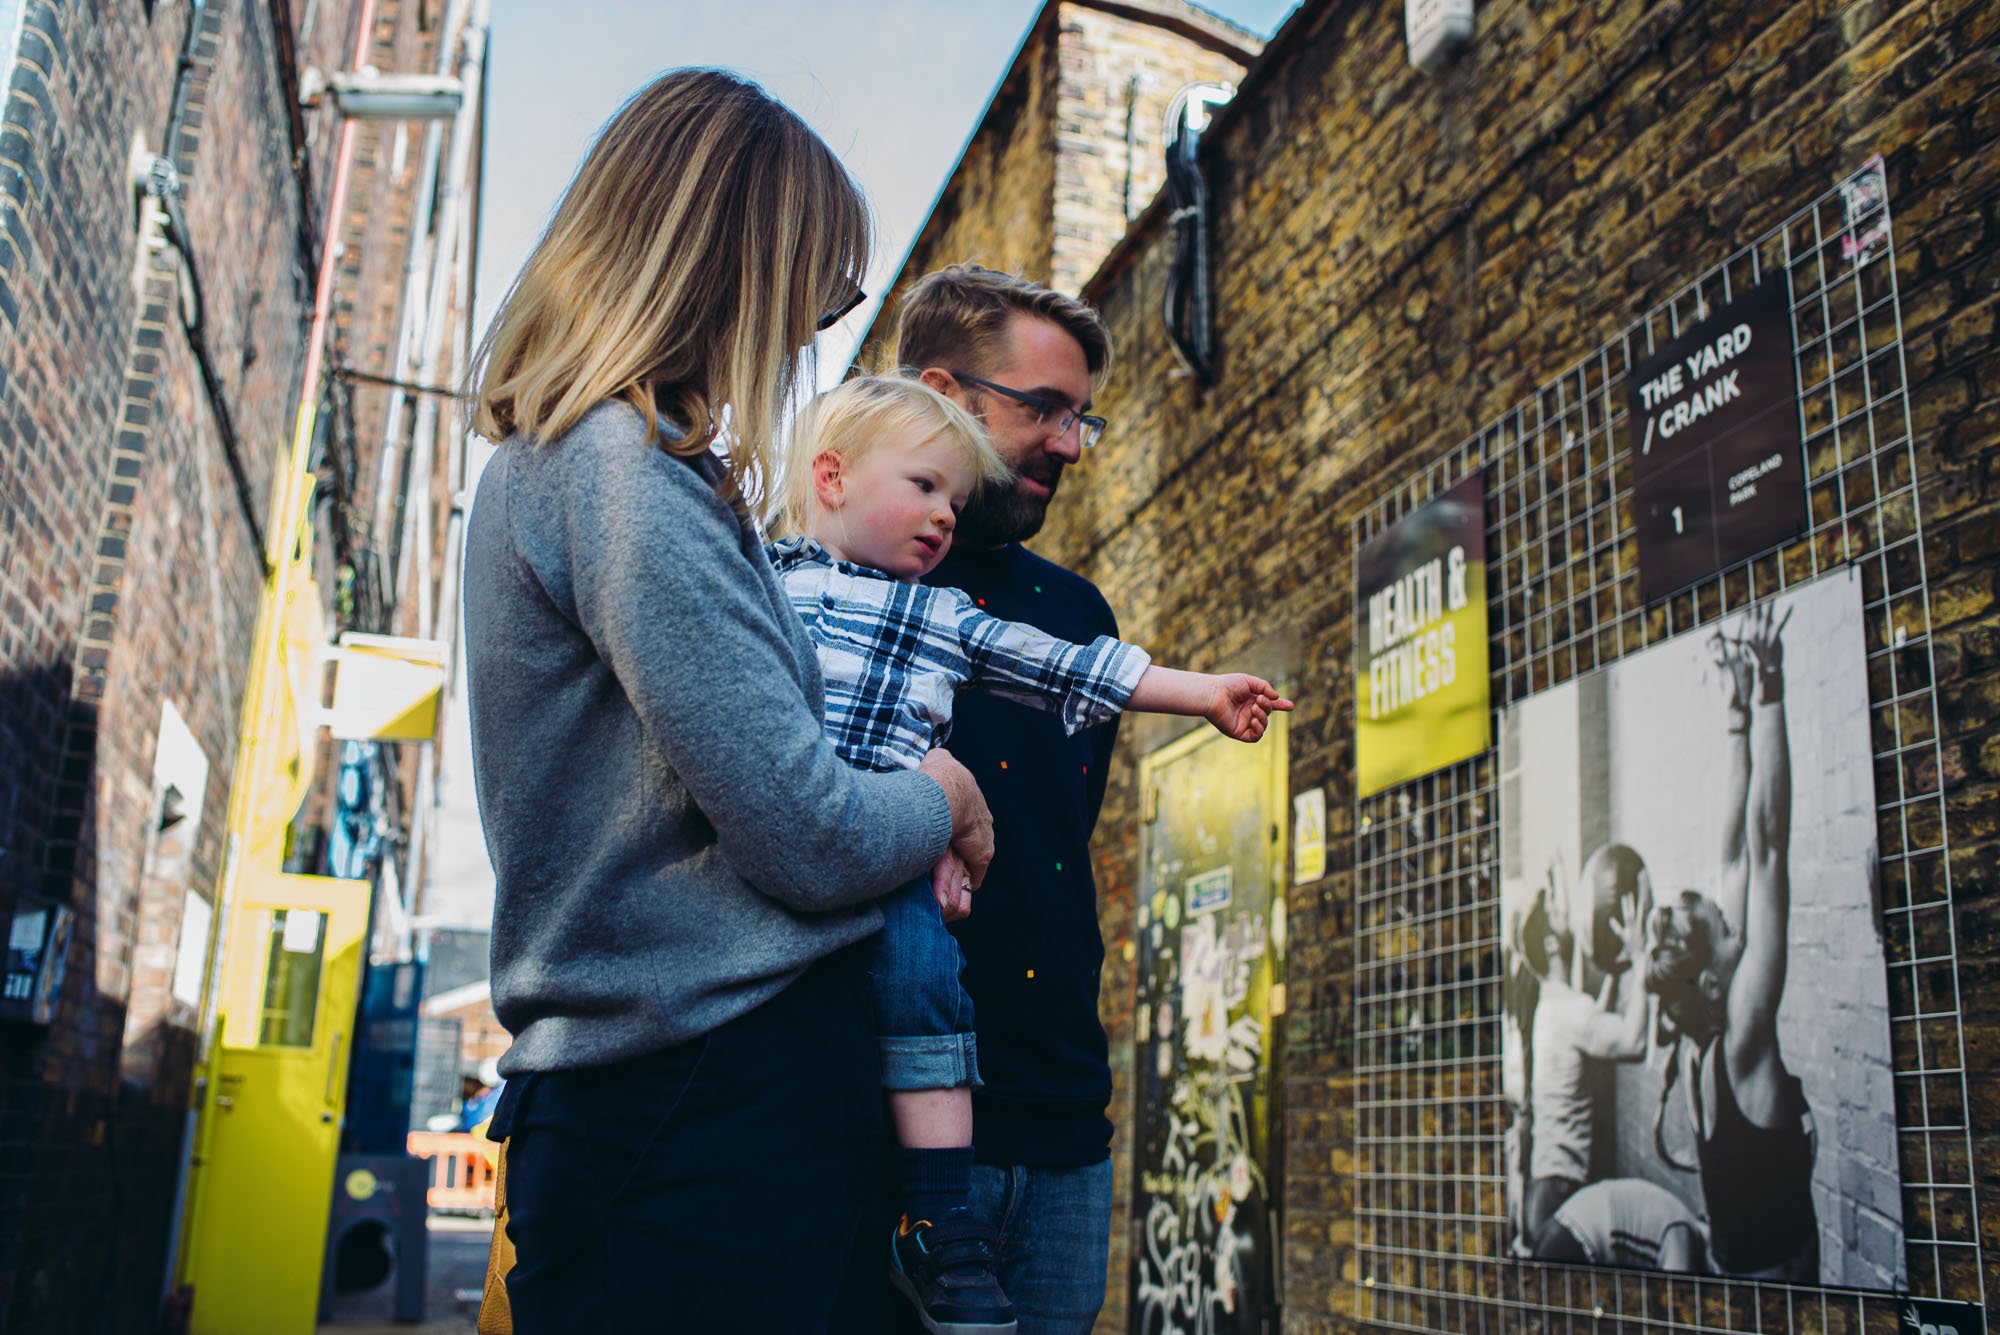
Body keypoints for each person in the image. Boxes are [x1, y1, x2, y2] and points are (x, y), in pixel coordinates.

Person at [460, 71, 994, 1333]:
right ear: (738, 264)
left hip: (674, 1094)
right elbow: (807, 835)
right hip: (697, 1096)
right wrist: (943, 793)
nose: (816, 330)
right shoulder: (621, 478)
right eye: (818, 286)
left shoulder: (602, 471)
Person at [768, 375, 1291, 1335]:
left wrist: (1203, 691)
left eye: (955, 502)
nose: (942, 516)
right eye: (925, 486)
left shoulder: (945, 615)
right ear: (831, 476)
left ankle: (937, 1220)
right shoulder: (758, 582)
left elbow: (1068, 665)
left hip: (890, 875)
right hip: (775, 871)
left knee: (929, 989)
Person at [885, 264, 1128, 1334]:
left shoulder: (1081, 617)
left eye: (1081, 419)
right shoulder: (832, 589)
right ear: (944, 393)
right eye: (1043, 410)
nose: (1068, 445)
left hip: (1066, 1126)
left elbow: (1061, 851)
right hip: (884, 1125)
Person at [1644, 602, 1818, 1282]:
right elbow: (1767, 849)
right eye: (1716, 918)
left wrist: (1737, 716)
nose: (1724, 904)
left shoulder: (1699, 1050)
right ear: (1713, 978)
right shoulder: (1743, 1037)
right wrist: (1771, 684)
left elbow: (1734, 858)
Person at [1514, 848, 1649, 1250]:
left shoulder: (1552, 1006)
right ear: (1553, 945)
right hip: (1558, 1191)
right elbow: (1633, 1042)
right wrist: (1641, 959)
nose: (1568, 918)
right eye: (1559, 916)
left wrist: (1613, 973)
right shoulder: (1568, 1012)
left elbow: (1591, 1019)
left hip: (1546, 1189)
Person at [1533, 1178, 1707, 1273]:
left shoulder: (1679, 1217)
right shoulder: (1684, 1234)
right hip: (1577, 1238)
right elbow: (1676, 1302)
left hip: (1566, 1221)